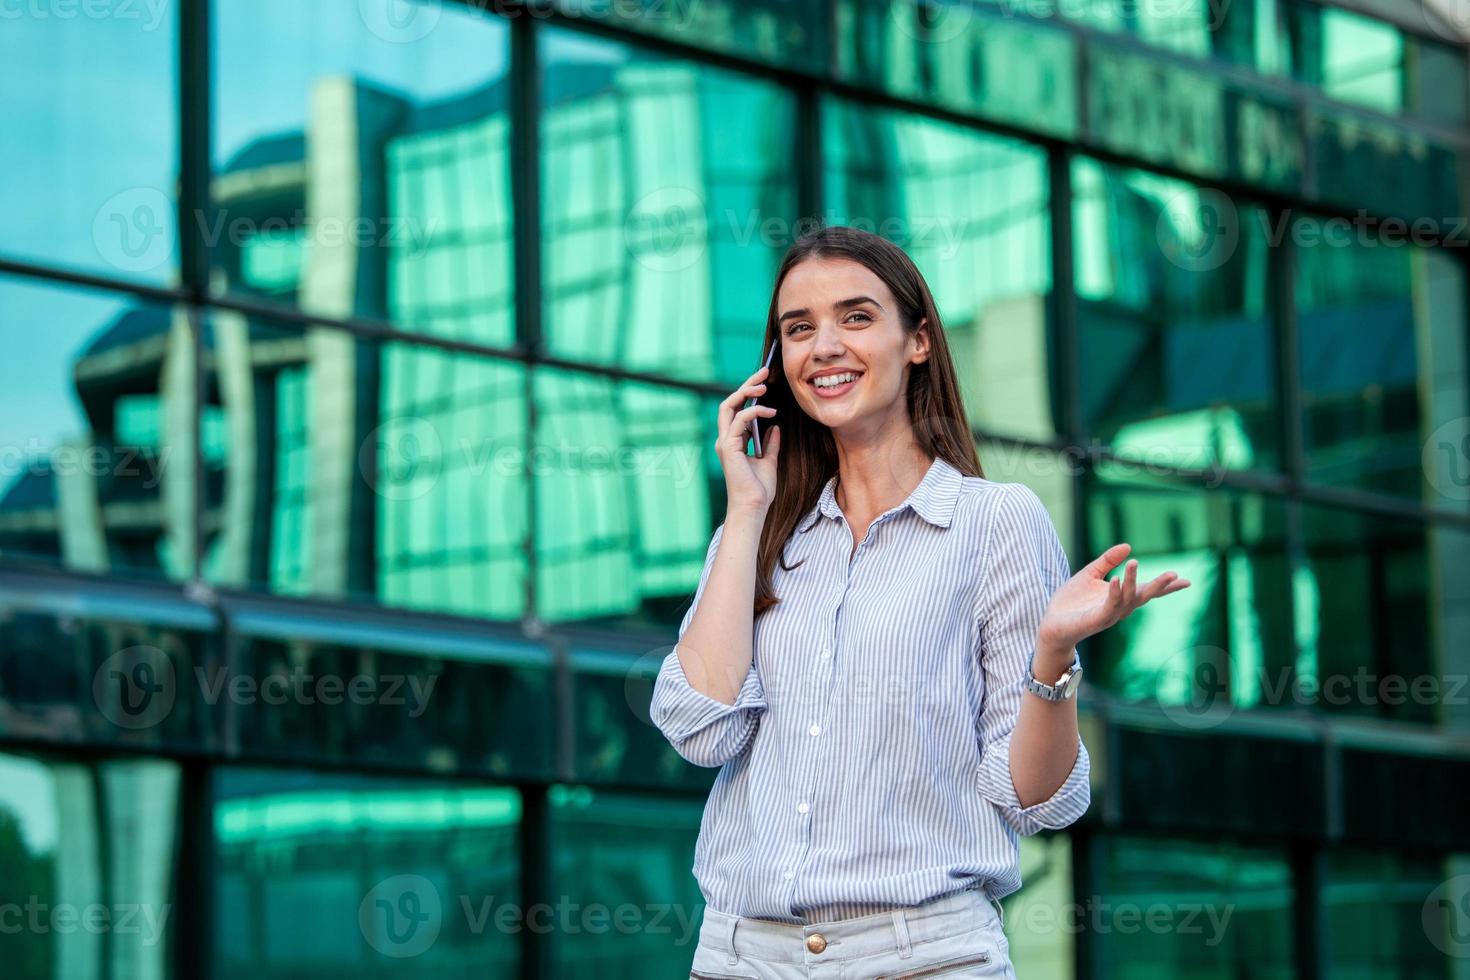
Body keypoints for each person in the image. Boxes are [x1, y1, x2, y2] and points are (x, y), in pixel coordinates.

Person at [651, 226, 1190, 979]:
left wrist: (1054, 656)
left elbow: (1038, 800)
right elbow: (698, 730)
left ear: (919, 342)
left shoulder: (993, 522)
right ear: (776, 365)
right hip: (744, 956)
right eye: (798, 330)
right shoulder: (756, 533)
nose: (825, 346)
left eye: (857, 317)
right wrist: (745, 512)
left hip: (923, 956)